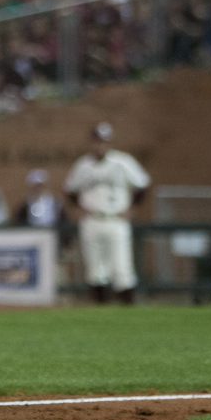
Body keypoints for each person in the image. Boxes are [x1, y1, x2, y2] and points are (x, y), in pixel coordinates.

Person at [63, 122, 151, 304]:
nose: (100, 145)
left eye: (103, 141)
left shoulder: (122, 161)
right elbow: (70, 190)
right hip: (92, 219)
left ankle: (127, 308)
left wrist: (133, 209)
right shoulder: (83, 165)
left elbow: (142, 185)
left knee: (122, 266)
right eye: (97, 141)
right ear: (91, 142)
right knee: (95, 268)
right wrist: (78, 208)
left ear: (109, 143)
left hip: (115, 219)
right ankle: (100, 310)